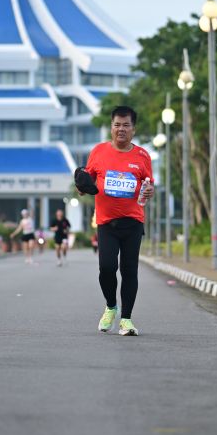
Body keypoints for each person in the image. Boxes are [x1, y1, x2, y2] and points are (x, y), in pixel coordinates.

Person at [81, 105, 154, 336]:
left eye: (126, 125)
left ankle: (126, 320)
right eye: (117, 125)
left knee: (129, 270)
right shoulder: (98, 152)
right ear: (111, 127)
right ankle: (111, 306)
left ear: (133, 129)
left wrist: (149, 191)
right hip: (106, 223)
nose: (121, 129)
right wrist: (81, 184)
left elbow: (148, 186)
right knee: (107, 267)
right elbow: (86, 183)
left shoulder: (142, 156)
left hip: (133, 222)